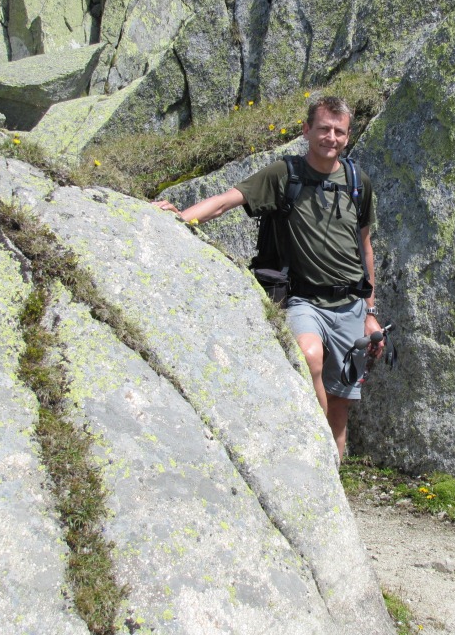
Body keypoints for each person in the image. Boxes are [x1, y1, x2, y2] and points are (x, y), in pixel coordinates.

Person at [153, 96, 381, 460]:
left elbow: (364, 248)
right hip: (302, 300)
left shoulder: (358, 182)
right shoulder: (283, 174)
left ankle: (331, 485)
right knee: (308, 356)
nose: (331, 137)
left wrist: (370, 311)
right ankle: (320, 453)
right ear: (306, 130)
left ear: (348, 136)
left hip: (350, 305)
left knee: (340, 408)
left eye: (339, 131)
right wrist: (180, 217)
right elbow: (227, 201)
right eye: (323, 128)